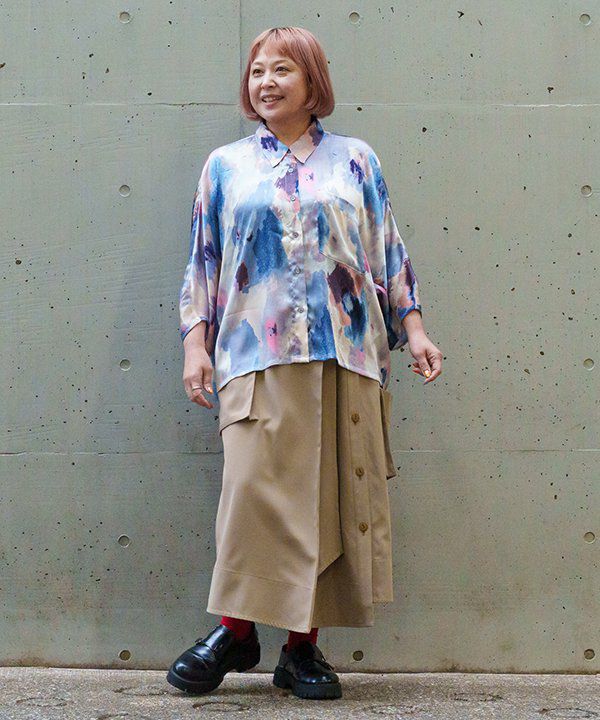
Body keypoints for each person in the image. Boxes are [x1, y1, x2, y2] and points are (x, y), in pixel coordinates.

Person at [166, 26, 443, 701]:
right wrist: (195, 344)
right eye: (257, 71)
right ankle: (236, 630)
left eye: (282, 70)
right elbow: (204, 260)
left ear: (312, 79)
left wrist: (414, 328)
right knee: (250, 494)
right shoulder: (225, 166)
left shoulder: (355, 161)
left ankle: (300, 648)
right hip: (252, 354)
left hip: (344, 350)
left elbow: (386, 248)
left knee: (325, 505)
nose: (266, 82)